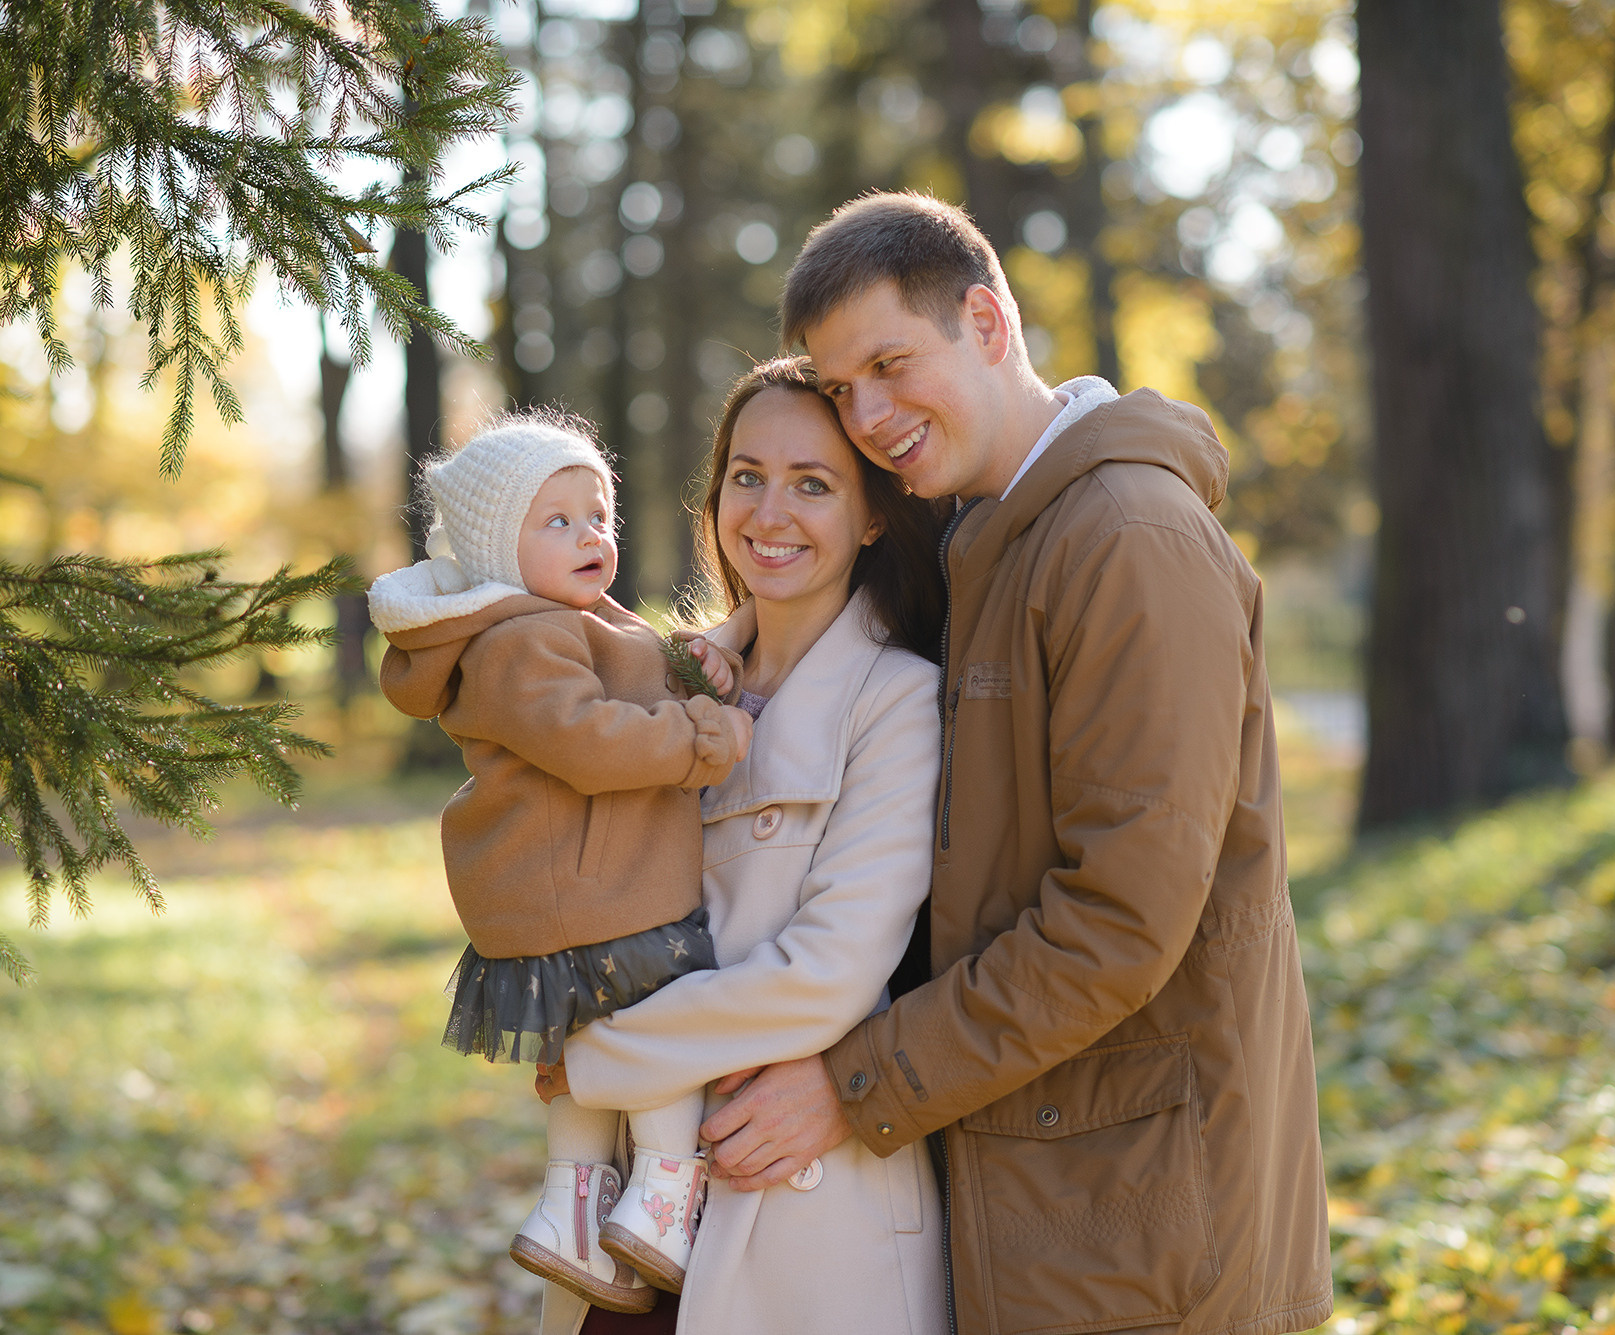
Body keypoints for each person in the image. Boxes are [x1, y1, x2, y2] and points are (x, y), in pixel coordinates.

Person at [700, 193, 1336, 1335]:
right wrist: (733, 639)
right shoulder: (986, 537)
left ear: (987, 323)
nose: (870, 417)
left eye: (892, 364)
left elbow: (1119, 922)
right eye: (844, 389)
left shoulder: (1125, 540)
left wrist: (857, 1085)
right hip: (1044, 1189)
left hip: (1148, 1218)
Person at [535, 358, 951, 1335]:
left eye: (813, 484)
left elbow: (824, 976)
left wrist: (592, 1061)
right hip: (622, 1207)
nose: (770, 512)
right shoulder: (660, 684)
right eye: (746, 475)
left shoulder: (896, 701)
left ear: (874, 514)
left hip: (803, 1216)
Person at [368, 411, 754, 1316]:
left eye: (599, 515)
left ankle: (571, 1208)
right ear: (501, 549)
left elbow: (633, 668)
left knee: (585, 1058)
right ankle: (662, 1195)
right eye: (559, 521)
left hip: (583, 892)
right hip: (597, 898)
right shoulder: (519, 638)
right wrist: (705, 736)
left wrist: (699, 668)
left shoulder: (568, 618)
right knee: (665, 1030)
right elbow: (587, 739)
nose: (591, 535)